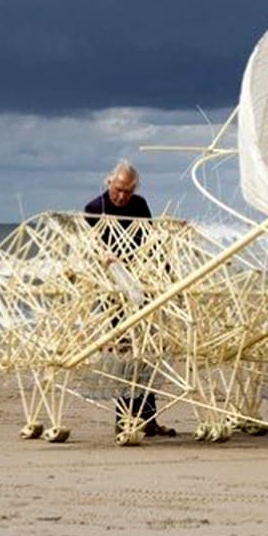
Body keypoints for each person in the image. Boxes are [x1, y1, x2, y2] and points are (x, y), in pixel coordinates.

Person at [84, 161, 175, 438]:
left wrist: (166, 275)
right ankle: (124, 419)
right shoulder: (94, 209)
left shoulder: (139, 206)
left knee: (146, 354)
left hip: (141, 288)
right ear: (109, 182)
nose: (121, 196)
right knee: (124, 356)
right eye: (118, 189)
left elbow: (152, 242)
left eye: (127, 191)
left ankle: (149, 419)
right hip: (113, 292)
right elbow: (89, 251)